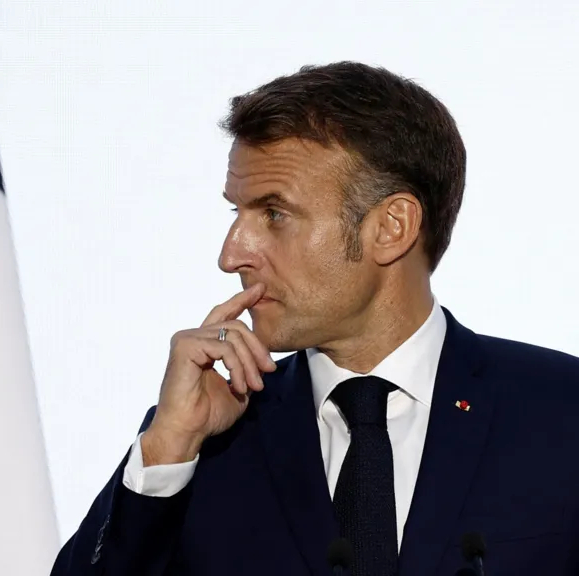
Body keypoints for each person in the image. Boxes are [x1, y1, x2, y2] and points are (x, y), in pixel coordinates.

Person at [50, 61, 579, 576]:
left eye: (274, 214)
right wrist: (167, 448)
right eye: (238, 214)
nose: (231, 255)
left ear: (391, 227)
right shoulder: (204, 439)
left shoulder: (560, 412)